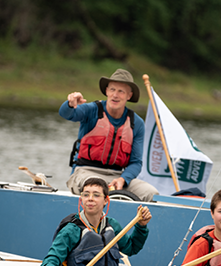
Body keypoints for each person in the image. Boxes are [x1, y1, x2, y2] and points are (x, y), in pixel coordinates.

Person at [60, 68, 159, 202]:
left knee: (151, 193)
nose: (115, 95)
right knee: (96, 190)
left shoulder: (137, 123)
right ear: (106, 91)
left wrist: (123, 179)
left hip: (117, 176)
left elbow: (136, 162)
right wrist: (70, 104)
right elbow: (66, 114)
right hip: (85, 171)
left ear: (129, 95)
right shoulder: (92, 110)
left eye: (121, 91)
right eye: (112, 89)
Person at [40, 177, 152, 266]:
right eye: (86, 194)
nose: (90, 199)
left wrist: (141, 226)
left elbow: (131, 248)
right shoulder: (71, 230)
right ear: (81, 199)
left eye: (96, 195)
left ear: (106, 201)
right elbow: (47, 265)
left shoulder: (112, 226)